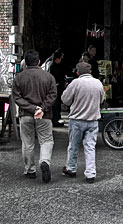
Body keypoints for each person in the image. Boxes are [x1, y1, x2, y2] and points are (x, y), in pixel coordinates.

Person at [12, 49, 57, 183]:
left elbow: (17, 97)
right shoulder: (49, 77)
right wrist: (42, 108)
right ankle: (44, 161)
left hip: (26, 115)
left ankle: (30, 170)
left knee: (27, 143)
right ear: (39, 62)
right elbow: (53, 95)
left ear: (25, 62)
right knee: (46, 140)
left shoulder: (19, 77)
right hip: (44, 115)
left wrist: (32, 108)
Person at [61, 62, 105, 183]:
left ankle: (71, 168)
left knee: (73, 146)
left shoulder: (75, 83)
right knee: (90, 147)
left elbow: (65, 100)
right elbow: (102, 99)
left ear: (77, 72)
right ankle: (90, 174)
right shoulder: (98, 83)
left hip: (77, 120)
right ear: (90, 72)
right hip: (93, 120)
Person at [49, 49, 66, 127]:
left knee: (57, 104)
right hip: (56, 87)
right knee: (55, 105)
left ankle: (56, 119)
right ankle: (55, 120)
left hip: (58, 87)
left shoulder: (55, 66)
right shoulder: (53, 67)